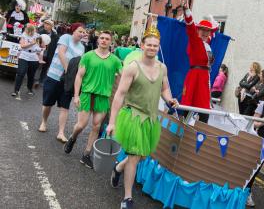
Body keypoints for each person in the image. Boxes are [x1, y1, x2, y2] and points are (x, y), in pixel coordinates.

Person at [106, 26, 178, 209]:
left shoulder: (162, 68)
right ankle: (127, 198)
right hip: (132, 117)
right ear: (143, 46)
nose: (152, 48)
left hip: (151, 119)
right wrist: (112, 121)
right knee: (133, 156)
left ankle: (118, 168)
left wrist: (170, 99)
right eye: (149, 45)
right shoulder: (133, 68)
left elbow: (164, 88)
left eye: (155, 46)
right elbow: (120, 95)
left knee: (142, 156)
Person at [63, 31, 123, 168]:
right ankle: (73, 138)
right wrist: (76, 95)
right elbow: (79, 76)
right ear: (98, 40)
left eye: (107, 39)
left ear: (110, 42)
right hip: (87, 94)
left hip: (103, 97)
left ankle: (86, 154)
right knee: (81, 125)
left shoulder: (115, 60)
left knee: (96, 126)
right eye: (102, 38)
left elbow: (123, 75)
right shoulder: (88, 56)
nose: (104, 40)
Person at [38, 24, 85, 142]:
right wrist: (67, 70)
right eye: (80, 31)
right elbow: (61, 53)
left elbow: (79, 64)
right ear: (74, 31)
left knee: (65, 106)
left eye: (84, 32)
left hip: (68, 81)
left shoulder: (82, 47)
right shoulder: (65, 37)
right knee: (47, 103)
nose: (82, 34)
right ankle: (44, 122)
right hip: (54, 76)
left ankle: (61, 132)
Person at [180, 0, 218, 123]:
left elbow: (214, 30)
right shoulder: (195, 41)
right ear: (198, 30)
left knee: (205, 111)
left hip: (204, 79)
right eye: (202, 30)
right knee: (188, 107)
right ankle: (183, 129)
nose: (205, 33)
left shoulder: (208, 44)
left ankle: (200, 133)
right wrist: (187, 10)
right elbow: (190, 27)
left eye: (208, 31)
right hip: (195, 77)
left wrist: (211, 21)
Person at [12, 24, 40, 99]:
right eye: (27, 30)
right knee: (21, 73)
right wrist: (32, 43)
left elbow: (42, 46)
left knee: (31, 75)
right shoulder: (24, 35)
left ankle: (29, 88)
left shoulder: (37, 36)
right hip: (24, 55)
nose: (28, 31)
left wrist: (39, 49)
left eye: (30, 30)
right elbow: (22, 46)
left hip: (33, 57)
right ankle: (16, 90)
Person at [35, 20, 59, 86]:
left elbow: (56, 46)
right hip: (39, 53)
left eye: (47, 24)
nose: (45, 25)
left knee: (45, 68)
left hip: (49, 54)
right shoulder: (40, 33)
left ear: (51, 26)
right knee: (37, 66)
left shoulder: (55, 36)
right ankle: (36, 80)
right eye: (45, 24)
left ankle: (41, 80)